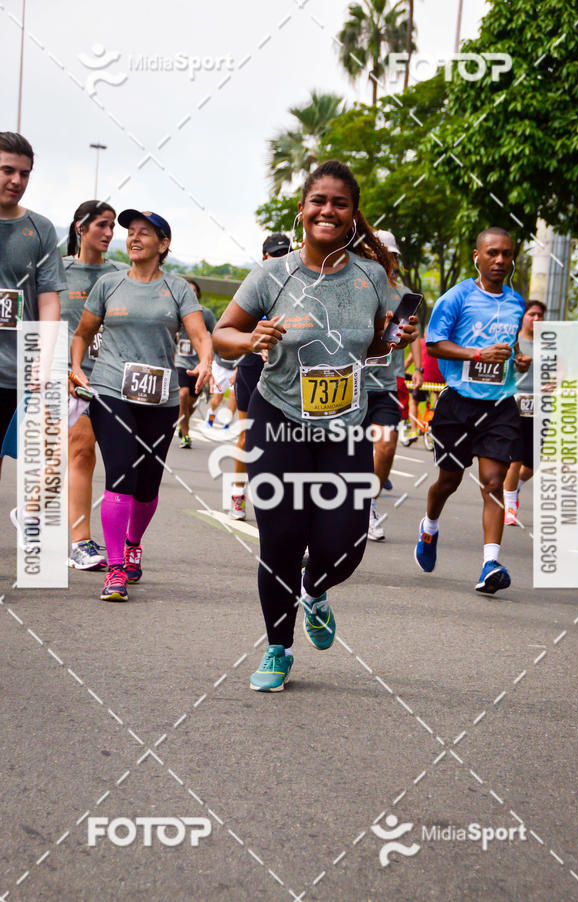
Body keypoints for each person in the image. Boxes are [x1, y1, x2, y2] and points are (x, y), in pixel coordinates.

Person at [213, 160, 417, 691]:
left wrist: (397, 337)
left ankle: (315, 588)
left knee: (346, 544)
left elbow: (375, 344)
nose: (328, 211)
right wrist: (251, 340)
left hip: (343, 425)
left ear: (353, 215)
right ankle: (278, 648)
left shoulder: (372, 276)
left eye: (340, 203)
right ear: (303, 209)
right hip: (278, 416)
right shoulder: (273, 274)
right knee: (279, 536)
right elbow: (222, 334)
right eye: (318, 201)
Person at [70, 209, 212, 602]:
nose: (133, 238)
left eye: (144, 234)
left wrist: (205, 360)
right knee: (121, 473)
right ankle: (115, 568)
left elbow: (199, 334)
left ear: (163, 245)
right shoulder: (109, 285)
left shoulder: (178, 288)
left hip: (159, 396)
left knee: (147, 485)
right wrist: (78, 368)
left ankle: (133, 543)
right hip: (110, 387)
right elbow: (83, 334)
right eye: (129, 232)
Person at [414, 227, 531, 594]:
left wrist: (519, 361)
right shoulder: (456, 297)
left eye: (507, 254)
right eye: (493, 253)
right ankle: (430, 527)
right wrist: (476, 354)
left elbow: (509, 350)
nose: (500, 260)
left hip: (499, 405)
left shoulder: (516, 302)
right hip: (458, 404)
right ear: (477, 257)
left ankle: (490, 564)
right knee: (448, 480)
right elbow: (434, 345)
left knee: (494, 483)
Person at [61, 200, 128, 569]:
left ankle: (126, 545)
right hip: (74, 378)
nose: (108, 233)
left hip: (116, 382)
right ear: (80, 228)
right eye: (101, 225)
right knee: (82, 452)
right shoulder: (59, 271)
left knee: (121, 464)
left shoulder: (120, 274)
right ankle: (81, 542)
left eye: (112, 226)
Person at [0, 132, 65, 482]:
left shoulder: (40, 230)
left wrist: (44, 360)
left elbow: (50, 300)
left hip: (13, 372)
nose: (17, 181)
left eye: (24, 173)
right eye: (7, 170)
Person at [365, 229, 423, 541]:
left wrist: (420, 368)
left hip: (386, 384)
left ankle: (369, 505)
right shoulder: (353, 285)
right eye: (377, 252)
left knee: (386, 445)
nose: (384, 258)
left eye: (389, 254)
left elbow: (412, 334)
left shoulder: (403, 294)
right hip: (351, 385)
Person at [230, 232, 292, 520]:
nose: (281, 259)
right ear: (265, 256)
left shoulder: (302, 283)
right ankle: (238, 493)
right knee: (247, 435)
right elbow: (233, 327)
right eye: (275, 254)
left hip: (287, 368)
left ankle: (281, 500)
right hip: (253, 365)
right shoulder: (255, 282)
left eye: (285, 253)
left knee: (286, 440)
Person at [503, 299, 546, 525]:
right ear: (524, 317)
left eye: (540, 315)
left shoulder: (549, 344)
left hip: (539, 408)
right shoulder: (514, 341)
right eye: (532, 315)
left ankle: (513, 489)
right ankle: (509, 507)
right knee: (516, 459)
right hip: (514, 404)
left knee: (531, 464)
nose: (536, 319)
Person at [175, 276, 217, 448]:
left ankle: (182, 423)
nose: (190, 293)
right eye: (187, 290)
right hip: (180, 362)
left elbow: (215, 334)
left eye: (194, 290)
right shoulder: (176, 311)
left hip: (197, 364)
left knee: (190, 403)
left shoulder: (205, 314)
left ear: (198, 294)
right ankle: (185, 435)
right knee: (182, 395)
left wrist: (209, 361)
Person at [405, 337, 444, 438]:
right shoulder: (443, 343)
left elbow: (409, 360)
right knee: (437, 399)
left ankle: (414, 430)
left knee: (413, 402)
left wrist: (402, 371)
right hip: (440, 380)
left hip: (423, 379)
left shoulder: (421, 343)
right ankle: (435, 424)